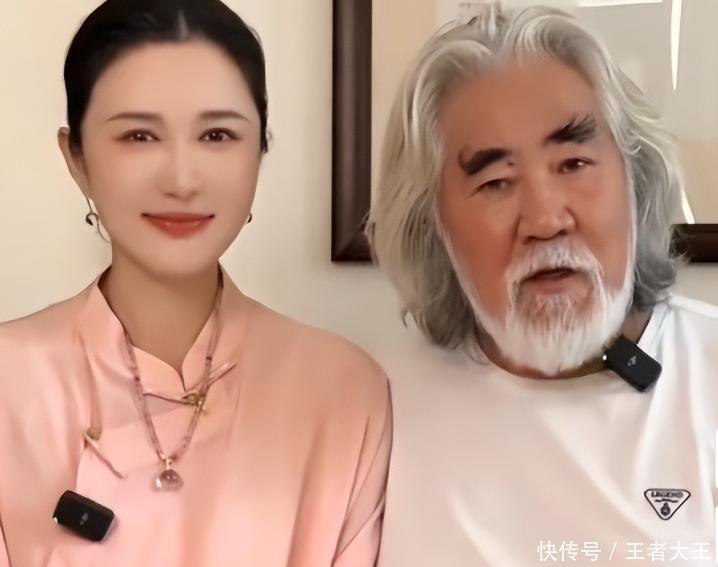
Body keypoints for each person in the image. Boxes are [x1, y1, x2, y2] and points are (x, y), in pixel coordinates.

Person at [0, 1, 390, 565]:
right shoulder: (10, 383)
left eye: (217, 134)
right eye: (139, 136)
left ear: (260, 149)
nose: (182, 180)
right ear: (76, 157)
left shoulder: (345, 391)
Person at [367, 4, 718, 566]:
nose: (545, 219)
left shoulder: (707, 374)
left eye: (574, 164)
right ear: (432, 223)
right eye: (495, 182)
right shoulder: (372, 407)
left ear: (636, 179)